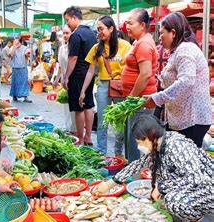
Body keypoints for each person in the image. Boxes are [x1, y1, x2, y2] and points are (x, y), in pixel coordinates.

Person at [94, 115, 214, 222]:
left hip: (208, 188)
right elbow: (138, 164)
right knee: (165, 184)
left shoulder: (177, 146)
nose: (138, 146)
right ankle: (191, 208)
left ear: (148, 137)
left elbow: (196, 179)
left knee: (173, 201)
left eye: (139, 142)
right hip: (196, 186)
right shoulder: (159, 142)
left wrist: (161, 187)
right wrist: (109, 184)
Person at [144, 12, 212, 148]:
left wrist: (158, 98)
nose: (160, 37)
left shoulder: (185, 49)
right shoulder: (179, 50)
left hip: (192, 120)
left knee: (185, 163)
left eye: (162, 33)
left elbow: (186, 81)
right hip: (183, 118)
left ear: (173, 33)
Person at [79, 16, 131, 156]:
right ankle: (101, 153)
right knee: (102, 121)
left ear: (111, 28)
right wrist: (83, 90)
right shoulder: (97, 48)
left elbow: (131, 68)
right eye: (97, 30)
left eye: (101, 29)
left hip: (121, 86)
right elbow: (91, 71)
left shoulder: (125, 46)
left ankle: (119, 153)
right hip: (103, 86)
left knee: (121, 121)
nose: (99, 32)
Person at [122, 8, 158, 162]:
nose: (127, 26)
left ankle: (136, 177)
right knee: (134, 138)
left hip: (140, 101)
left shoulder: (144, 44)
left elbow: (145, 74)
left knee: (138, 140)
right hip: (137, 101)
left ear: (142, 25)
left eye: (130, 23)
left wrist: (131, 98)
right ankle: (133, 171)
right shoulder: (139, 41)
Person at [63, 6, 97, 145]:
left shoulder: (76, 35)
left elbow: (73, 58)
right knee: (88, 105)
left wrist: (66, 76)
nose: (67, 24)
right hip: (89, 73)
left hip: (77, 75)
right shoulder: (91, 33)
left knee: (79, 108)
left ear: (74, 17)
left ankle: (80, 138)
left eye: (68, 20)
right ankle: (88, 136)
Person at [53, 25, 76, 134]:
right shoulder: (62, 48)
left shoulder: (75, 48)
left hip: (73, 79)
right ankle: (69, 128)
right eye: (64, 34)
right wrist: (57, 79)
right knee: (66, 106)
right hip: (64, 80)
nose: (65, 36)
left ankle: (75, 129)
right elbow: (60, 66)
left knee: (73, 106)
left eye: (67, 33)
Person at [10, 37, 32, 103]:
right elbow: (11, 56)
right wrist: (14, 47)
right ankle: (14, 96)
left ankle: (26, 96)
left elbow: (27, 54)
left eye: (18, 43)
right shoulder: (12, 48)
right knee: (15, 83)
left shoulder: (25, 48)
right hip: (15, 68)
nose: (17, 44)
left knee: (24, 82)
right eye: (15, 43)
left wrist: (27, 54)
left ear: (20, 42)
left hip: (23, 67)